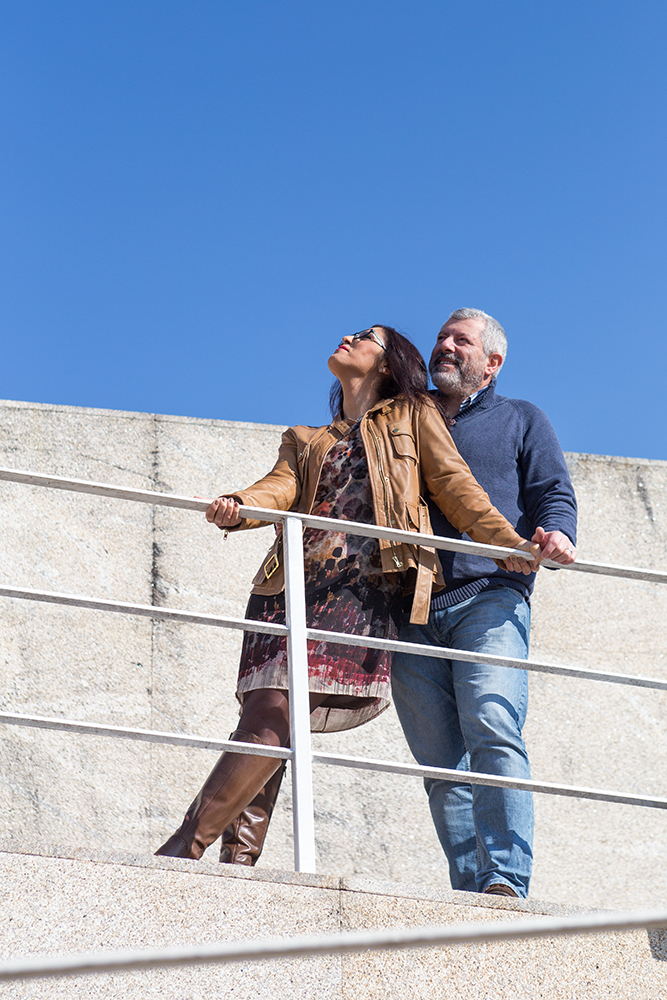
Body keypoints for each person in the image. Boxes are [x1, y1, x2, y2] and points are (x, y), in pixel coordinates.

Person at [155, 325, 538, 862]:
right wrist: (239, 504)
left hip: (360, 596)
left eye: (364, 336)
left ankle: (181, 847)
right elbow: (279, 487)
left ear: (386, 364)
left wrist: (508, 543)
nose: (346, 337)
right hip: (287, 588)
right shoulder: (306, 437)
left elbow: (456, 487)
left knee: (273, 718)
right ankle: (236, 864)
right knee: (266, 715)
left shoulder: (413, 415)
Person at [391, 307, 578, 899]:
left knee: (494, 727)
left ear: (492, 364)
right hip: (409, 609)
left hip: (489, 596)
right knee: (442, 764)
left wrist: (556, 532)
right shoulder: (401, 419)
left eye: (461, 340)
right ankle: (471, 890)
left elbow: (552, 490)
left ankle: (504, 881)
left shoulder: (521, 418)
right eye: (442, 336)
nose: (445, 345)